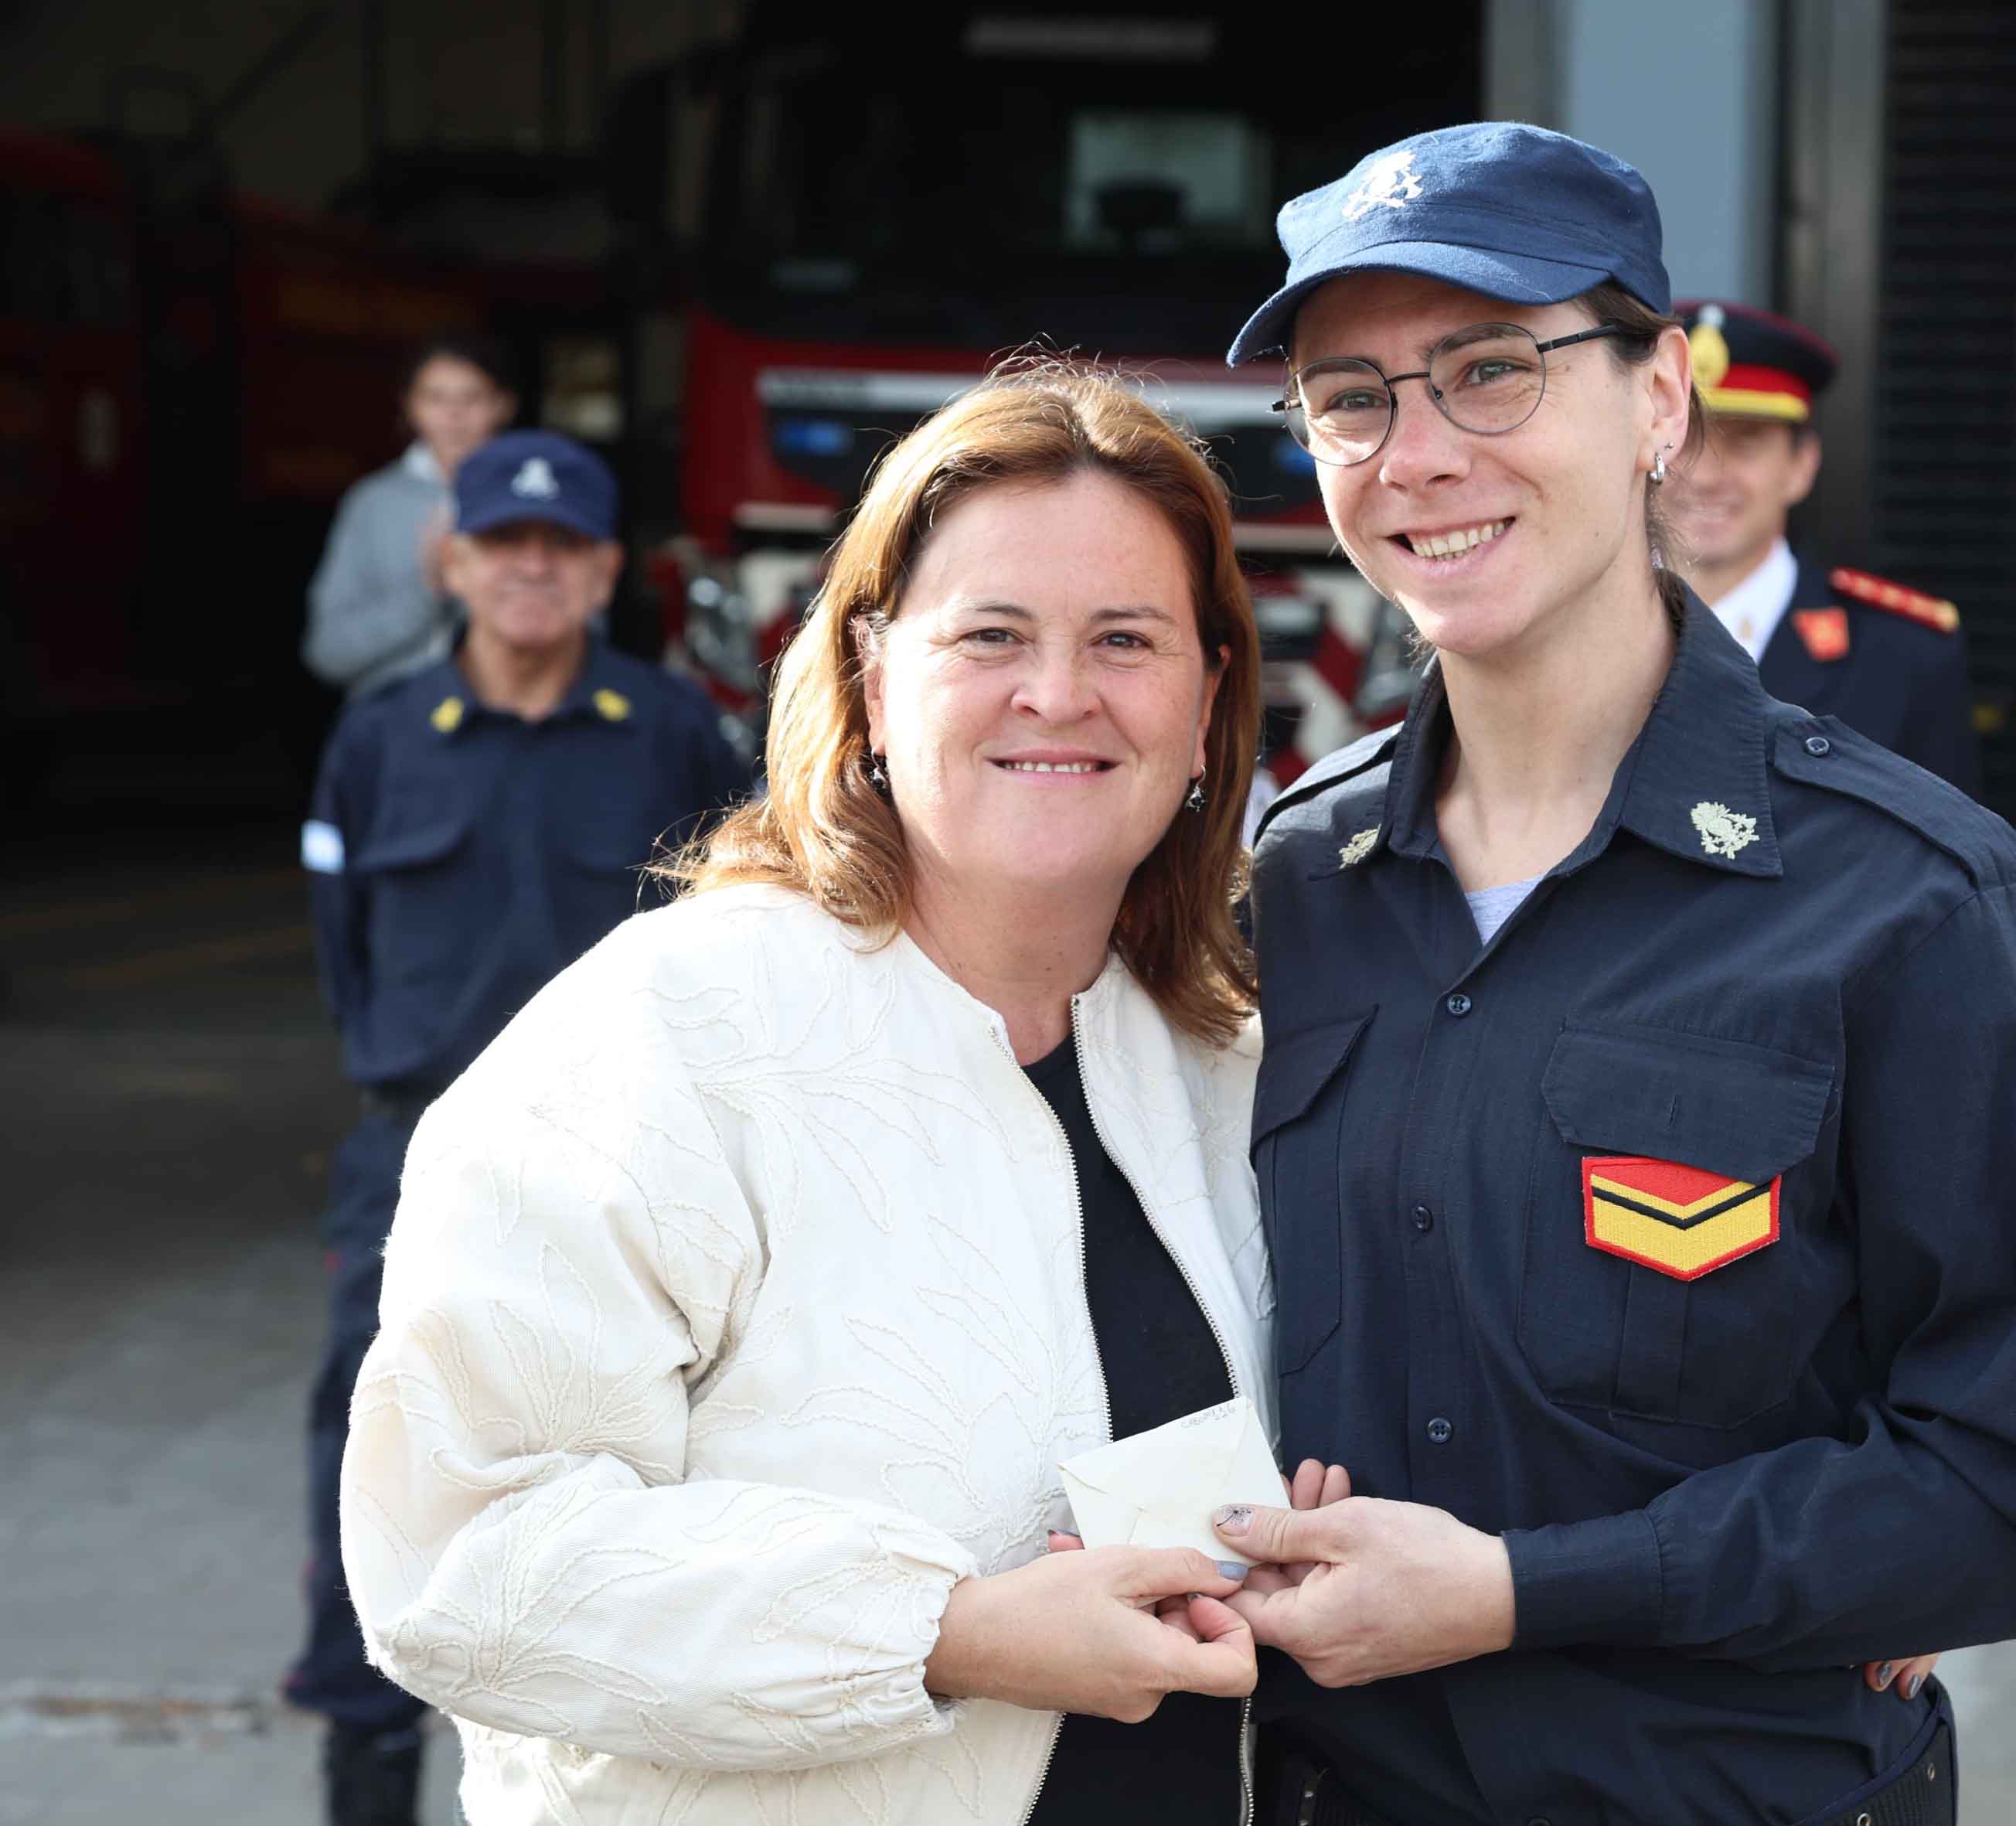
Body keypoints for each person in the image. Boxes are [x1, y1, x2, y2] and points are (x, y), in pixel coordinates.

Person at [1216, 123, 2016, 1826]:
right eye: (1350, 398)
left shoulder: (1911, 901)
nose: (1414, 455)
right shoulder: (1291, 880)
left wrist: (1518, 1588)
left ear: (1659, 403)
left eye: (1489, 370)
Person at [338, 368, 1286, 1824]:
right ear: (870, 675)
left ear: (1208, 696)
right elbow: (460, 1559)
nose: (1058, 693)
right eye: (991, 634)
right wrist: (946, 1633)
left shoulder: (1227, 1058)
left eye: (1125, 638)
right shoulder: (660, 1039)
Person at [291, 429, 747, 1824]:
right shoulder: (380, 739)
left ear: (606, 571)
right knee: (373, 1460)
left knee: (637, 1467)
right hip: (410, 1157)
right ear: (454, 561)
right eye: (503, 544)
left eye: (561, 547)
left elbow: (740, 944)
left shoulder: (673, 734)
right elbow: (344, 954)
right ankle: (368, 1766)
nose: (530, 569)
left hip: (633, 1167)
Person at [1661, 298, 1979, 787]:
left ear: (1802, 465)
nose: (1705, 477)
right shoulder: (1569, 626)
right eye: (1684, 440)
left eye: (1744, 442)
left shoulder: (1905, 656)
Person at [302, 333, 520, 699]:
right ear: (410, 406)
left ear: (502, 405)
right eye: (436, 398)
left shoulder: (536, 500)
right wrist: (428, 590)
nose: (454, 415)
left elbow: (586, 634)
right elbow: (327, 654)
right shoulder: (373, 503)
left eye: (472, 398)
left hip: (509, 718)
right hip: (391, 718)